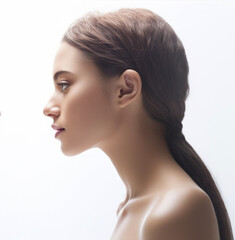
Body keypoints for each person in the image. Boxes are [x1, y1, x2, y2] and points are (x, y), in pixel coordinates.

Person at [43, 8, 233, 240]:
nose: (48, 107)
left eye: (64, 85)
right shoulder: (133, 208)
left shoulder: (175, 210)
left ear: (126, 89)